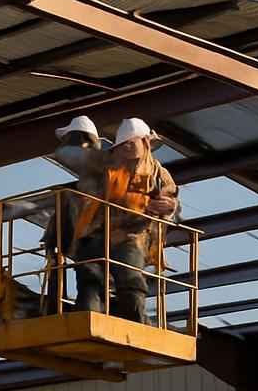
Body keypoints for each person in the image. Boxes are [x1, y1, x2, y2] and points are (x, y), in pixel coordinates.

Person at [64, 117, 179, 323]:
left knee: (126, 282)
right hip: (104, 235)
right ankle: (98, 320)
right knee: (102, 281)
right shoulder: (106, 168)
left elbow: (170, 196)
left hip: (122, 236)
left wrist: (168, 205)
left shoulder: (155, 171)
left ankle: (122, 322)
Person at [40, 115, 109, 313]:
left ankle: (84, 309)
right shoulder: (93, 173)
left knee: (91, 279)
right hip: (96, 239)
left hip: (97, 238)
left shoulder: (102, 172)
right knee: (91, 279)